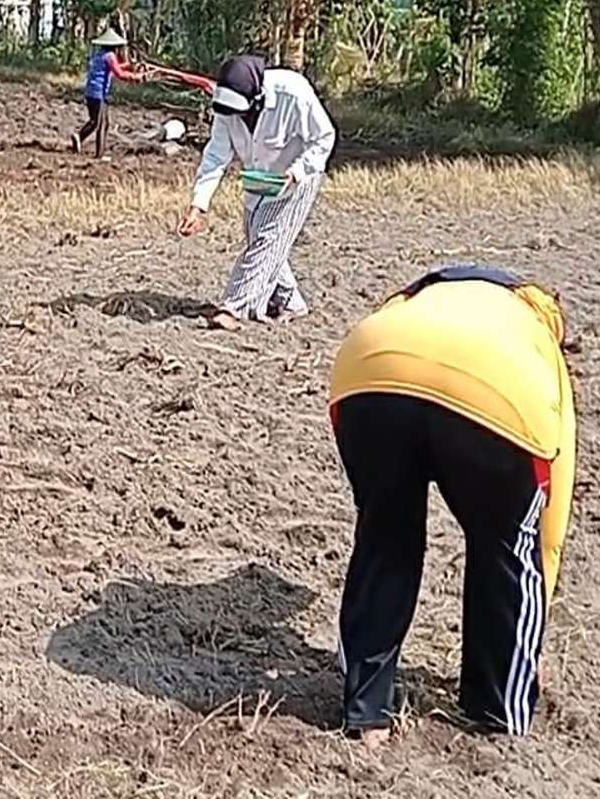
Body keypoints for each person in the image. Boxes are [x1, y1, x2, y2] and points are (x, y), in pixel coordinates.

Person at [329, 265, 576, 743]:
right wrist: (531, 637)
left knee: (385, 537)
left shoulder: (413, 298)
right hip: (502, 396)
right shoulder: (539, 338)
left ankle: (367, 713)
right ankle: (498, 711)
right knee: (507, 546)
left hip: (369, 368)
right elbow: (549, 530)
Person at [176, 54, 335, 330]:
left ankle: (233, 307)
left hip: (296, 178)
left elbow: (324, 137)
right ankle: (291, 302)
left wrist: (297, 172)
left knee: (268, 239)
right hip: (258, 178)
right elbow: (216, 156)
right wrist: (199, 205)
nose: (237, 116)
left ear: (257, 96)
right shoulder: (225, 106)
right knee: (260, 240)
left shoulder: (293, 93)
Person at [75, 27, 142, 156]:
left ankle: (79, 137)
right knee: (101, 124)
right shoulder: (110, 56)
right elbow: (119, 73)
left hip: (92, 92)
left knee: (96, 122)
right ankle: (99, 155)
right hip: (98, 93)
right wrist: (135, 77)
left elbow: (113, 68)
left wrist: (129, 65)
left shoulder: (100, 54)